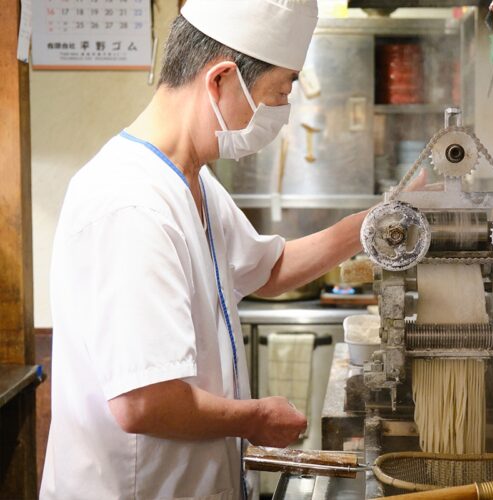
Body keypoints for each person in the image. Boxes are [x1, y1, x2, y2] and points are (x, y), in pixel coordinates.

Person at [40, 0, 429, 497]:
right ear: (221, 79)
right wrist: (255, 417)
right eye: (278, 93)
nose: (281, 116)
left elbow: (270, 269)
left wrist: (378, 222)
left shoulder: (191, 180)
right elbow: (143, 403)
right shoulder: (131, 205)